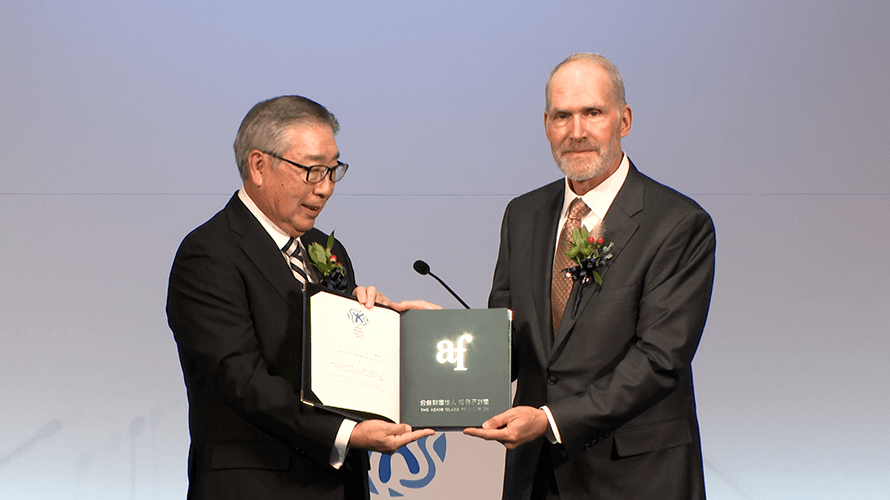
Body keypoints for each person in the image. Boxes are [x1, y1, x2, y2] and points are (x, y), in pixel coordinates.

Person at [464, 54, 716, 499]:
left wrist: (551, 420)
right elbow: (509, 341)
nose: (576, 131)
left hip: (636, 477)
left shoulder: (678, 223)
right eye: (562, 116)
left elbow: (659, 360)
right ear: (546, 125)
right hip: (536, 476)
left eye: (593, 112)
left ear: (625, 120)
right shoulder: (522, 214)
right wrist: (443, 334)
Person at [166, 95, 435, 500]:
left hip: (337, 486)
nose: (325, 188)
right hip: (255, 487)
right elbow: (242, 380)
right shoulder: (208, 254)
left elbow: (342, 370)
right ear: (259, 166)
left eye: (332, 171)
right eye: (312, 170)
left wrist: (387, 326)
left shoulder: (328, 250)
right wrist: (347, 433)